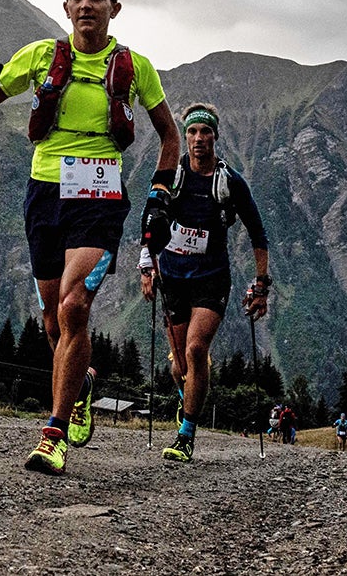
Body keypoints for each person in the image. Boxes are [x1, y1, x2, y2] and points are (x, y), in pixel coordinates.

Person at [0, 0, 180, 476]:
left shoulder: (137, 67)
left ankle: (53, 433)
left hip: (101, 195)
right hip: (45, 193)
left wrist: (158, 191)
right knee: (50, 314)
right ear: (65, 6)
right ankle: (80, 381)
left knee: (73, 305)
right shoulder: (41, 56)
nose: (87, 4)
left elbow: (169, 136)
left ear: (115, 8)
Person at [138, 101, 270, 463]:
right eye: (192, 132)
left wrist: (261, 285)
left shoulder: (229, 182)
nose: (198, 139)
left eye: (205, 132)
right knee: (179, 363)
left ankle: (186, 434)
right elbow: (150, 219)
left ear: (215, 136)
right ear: (185, 136)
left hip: (212, 280)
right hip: (173, 277)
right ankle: (188, 399)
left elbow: (258, 233)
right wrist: (146, 267)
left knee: (197, 350)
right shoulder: (173, 175)